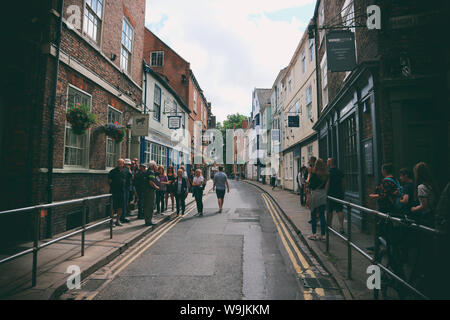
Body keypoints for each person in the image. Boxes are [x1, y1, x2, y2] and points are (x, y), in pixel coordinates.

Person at [307, 158, 328, 241]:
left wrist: (309, 174)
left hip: (315, 195)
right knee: (322, 215)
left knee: (313, 215)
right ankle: (323, 235)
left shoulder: (314, 174)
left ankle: (314, 234)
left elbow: (310, 185)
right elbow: (327, 186)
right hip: (323, 194)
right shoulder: (326, 174)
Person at [326, 158, 345, 234]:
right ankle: (341, 227)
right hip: (339, 193)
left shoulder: (328, 172)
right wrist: (343, 191)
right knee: (339, 210)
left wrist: (326, 193)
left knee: (329, 210)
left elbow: (327, 183)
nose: (326, 163)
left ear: (330, 163)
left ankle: (329, 226)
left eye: (327, 162)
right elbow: (344, 182)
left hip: (330, 194)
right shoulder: (340, 171)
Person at [108, 159, 126, 226]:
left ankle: (117, 220)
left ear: (123, 164)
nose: (120, 164)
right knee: (113, 207)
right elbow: (109, 181)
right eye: (118, 163)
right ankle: (111, 221)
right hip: (114, 192)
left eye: (121, 163)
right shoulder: (112, 171)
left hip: (122, 192)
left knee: (120, 207)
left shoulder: (124, 172)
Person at [144, 161, 159, 226]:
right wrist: (156, 187)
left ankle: (147, 220)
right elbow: (151, 182)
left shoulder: (147, 171)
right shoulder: (151, 172)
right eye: (156, 166)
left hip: (146, 190)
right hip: (150, 191)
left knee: (147, 205)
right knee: (150, 206)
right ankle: (148, 221)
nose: (156, 167)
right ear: (153, 166)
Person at [121, 159, 133, 223]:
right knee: (124, 203)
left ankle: (123, 216)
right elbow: (132, 177)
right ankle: (122, 217)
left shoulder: (124, 170)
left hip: (126, 188)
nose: (129, 166)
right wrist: (129, 170)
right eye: (128, 164)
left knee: (125, 203)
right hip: (125, 188)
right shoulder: (126, 170)